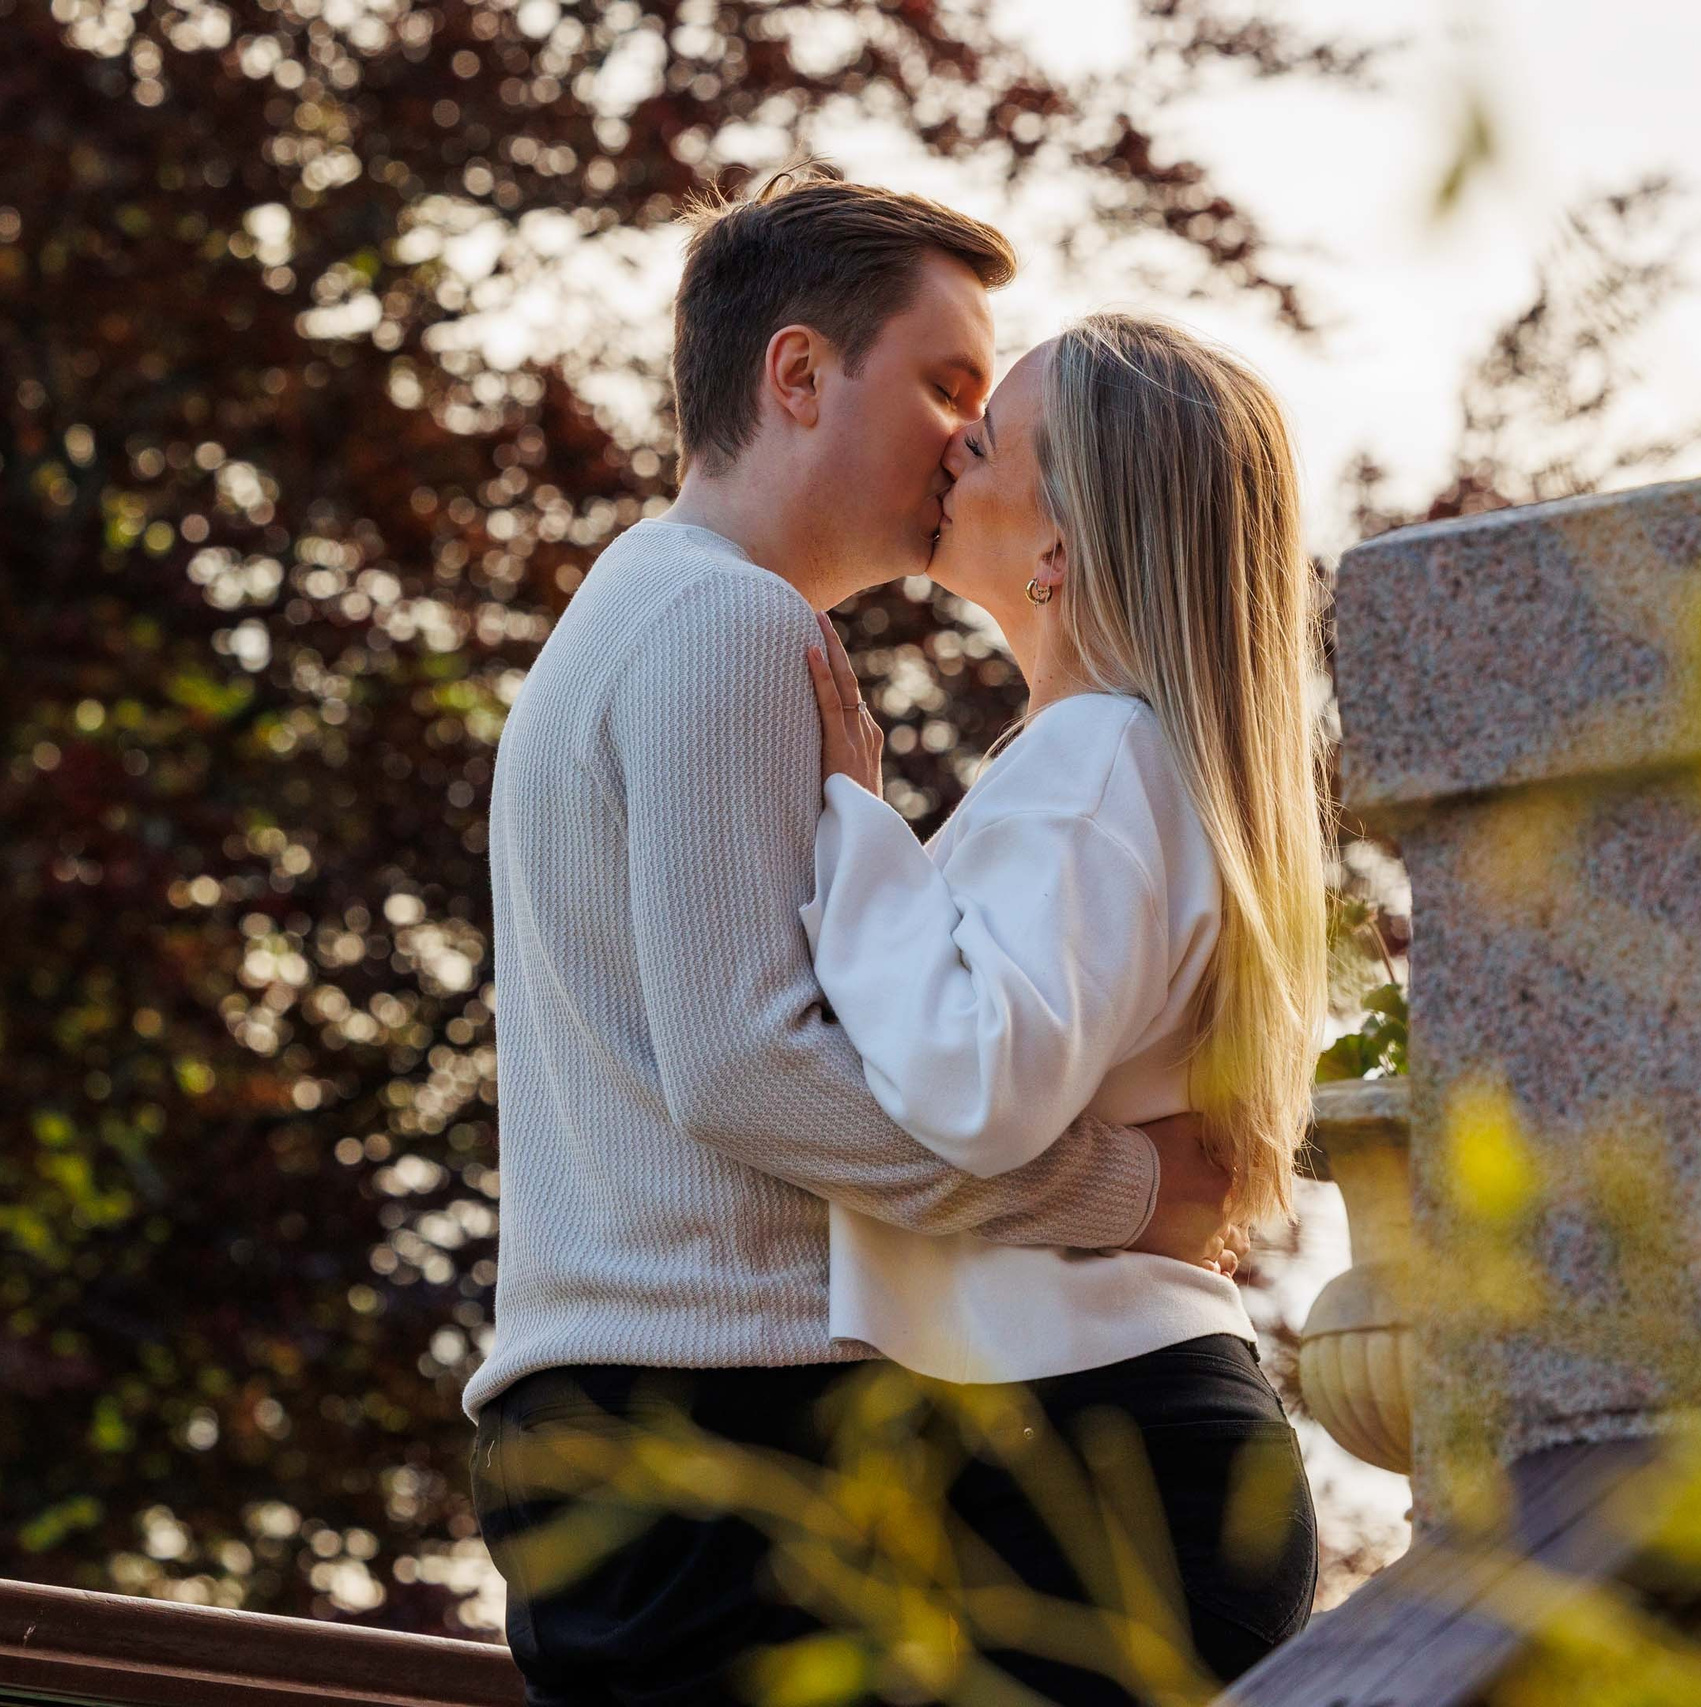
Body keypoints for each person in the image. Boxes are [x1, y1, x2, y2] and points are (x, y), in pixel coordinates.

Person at [465, 169, 1243, 1706]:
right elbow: (750, 1070)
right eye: (949, 383)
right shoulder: (727, 623)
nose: (970, 439)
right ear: (801, 377)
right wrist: (1128, 1187)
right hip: (718, 1421)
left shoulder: (640, 609)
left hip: (640, 1419)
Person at [800, 312, 1327, 1699]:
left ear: (1064, 546)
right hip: (1099, 1453)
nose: (950, 450)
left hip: (1103, 1473)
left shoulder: (1097, 759)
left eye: (989, 438)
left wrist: (852, 826)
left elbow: (977, 1082)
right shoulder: (1118, 758)